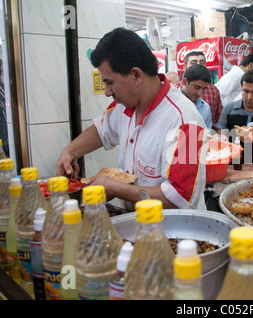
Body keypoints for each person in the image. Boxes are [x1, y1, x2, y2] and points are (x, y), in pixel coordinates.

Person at [56, 27, 208, 210]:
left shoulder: (185, 121)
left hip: (174, 232)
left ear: (136, 75)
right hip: (137, 225)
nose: (106, 92)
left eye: (109, 82)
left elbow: (179, 198)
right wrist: (70, 152)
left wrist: (115, 188)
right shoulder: (125, 106)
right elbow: (102, 130)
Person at [175, 51, 223, 127]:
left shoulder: (207, 103)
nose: (200, 93)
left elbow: (218, 120)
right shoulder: (171, 97)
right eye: (193, 63)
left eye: (202, 63)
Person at [180, 64, 212, 129]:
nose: (200, 94)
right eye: (196, 87)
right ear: (184, 82)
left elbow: (206, 136)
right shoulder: (169, 103)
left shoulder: (205, 108)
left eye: (204, 89)